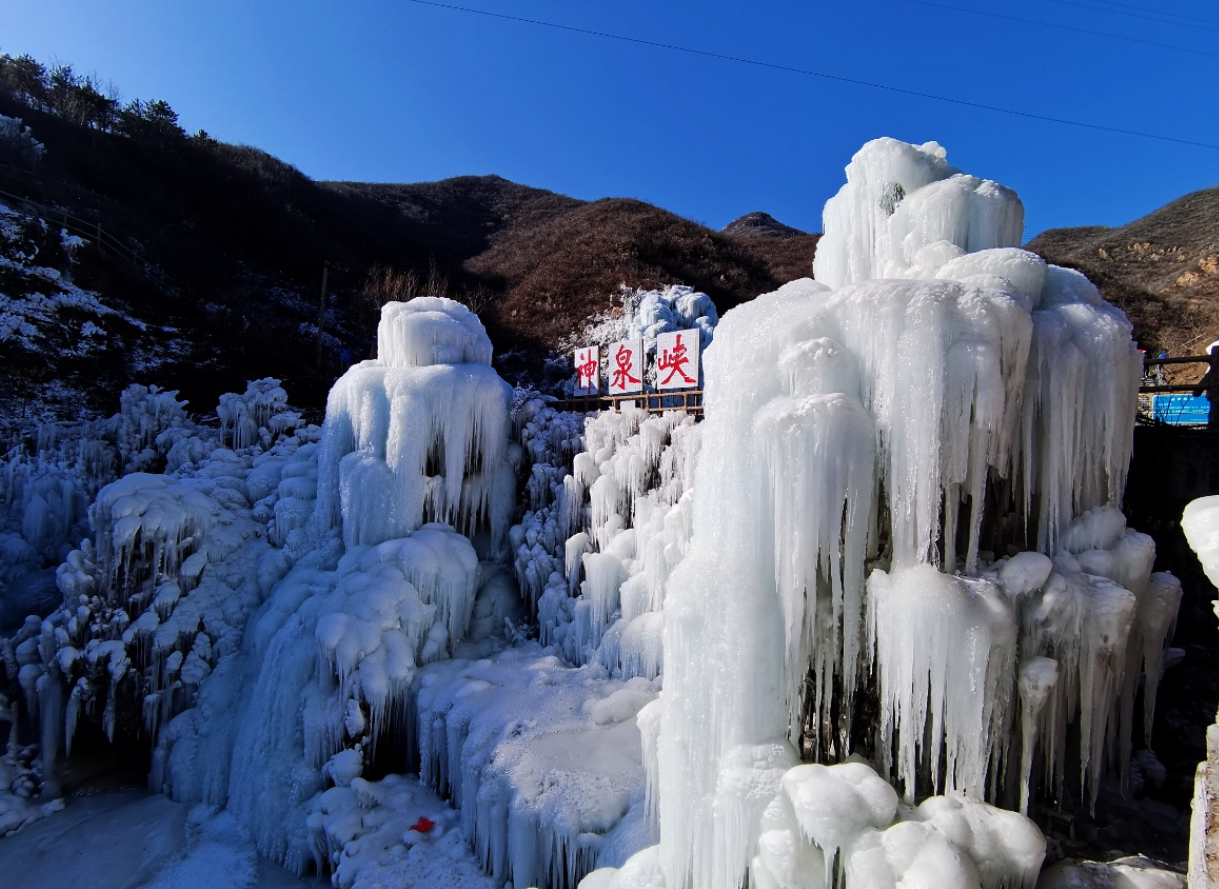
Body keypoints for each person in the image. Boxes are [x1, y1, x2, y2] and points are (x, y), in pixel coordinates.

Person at [1193, 342, 1219, 429]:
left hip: (1215, 400)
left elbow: (1197, 391)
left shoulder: (1213, 371)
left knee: (1215, 418)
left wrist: (1197, 391)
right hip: (1214, 399)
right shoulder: (1212, 372)